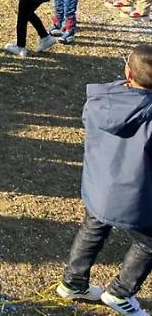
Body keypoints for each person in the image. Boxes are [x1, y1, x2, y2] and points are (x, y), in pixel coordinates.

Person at [54, 44, 152, 316]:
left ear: (127, 73)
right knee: (148, 242)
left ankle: (72, 283)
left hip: (99, 187)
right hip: (136, 196)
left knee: (93, 229)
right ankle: (120, 293)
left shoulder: (102, 99)